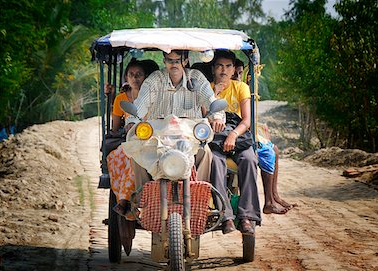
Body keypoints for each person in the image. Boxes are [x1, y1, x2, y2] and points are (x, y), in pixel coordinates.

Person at [125, 50, 225, 204]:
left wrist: (217, 117)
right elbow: (140, 105)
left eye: (177, 61)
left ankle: (199, 198)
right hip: (159, 135)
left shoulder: (196, 78)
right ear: (164, 61)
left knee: (205, 152)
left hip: (189, 135)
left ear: (185, 61)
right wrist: (132, 119)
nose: (173, 65)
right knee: (137, 154)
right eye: (170, 61)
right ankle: (142, 201)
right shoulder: (154, 80)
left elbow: (210, 101)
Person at [232, 59, 297, 214]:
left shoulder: (241, 89)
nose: (237, 76)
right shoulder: (220, 89)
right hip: (233, 133)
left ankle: (273, 195)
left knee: (274, 149)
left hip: (242, 131)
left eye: (240, 73)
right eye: (236, 73)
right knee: (268, 151)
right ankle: (269, 200)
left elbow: (248, 118)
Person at [209, 50, 262, 235]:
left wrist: (233, 135)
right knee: (214, 161)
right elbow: (201, 118)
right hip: (214, 137)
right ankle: (226, 217)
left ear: (233, 69)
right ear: (214, 69)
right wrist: (213, 94)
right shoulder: (206, 88)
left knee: (250, 160)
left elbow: (247, 120)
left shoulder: (240, 87)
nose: (224, 70)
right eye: (219, 66)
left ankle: (247, 216)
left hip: (238, 134)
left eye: (228, 66)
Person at [107, 59, 158, 219]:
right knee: (127, 156)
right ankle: (125, 200)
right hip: (130, 141)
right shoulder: (121, 99)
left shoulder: (155, 96)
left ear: (145, 77)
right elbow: (115, 128)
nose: (135, 78)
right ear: (126, 78)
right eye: (131, 75)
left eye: (139, 75)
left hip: (154, 139)